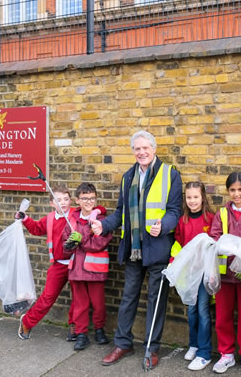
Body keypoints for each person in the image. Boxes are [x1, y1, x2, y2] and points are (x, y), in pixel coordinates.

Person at [91, 130, 182, 368]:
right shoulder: (128, 176)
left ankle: (151, 349)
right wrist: (104, 225)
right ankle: (123, 343)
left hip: (158, 248)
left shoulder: (170, 174)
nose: (141, 152)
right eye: (137, 149)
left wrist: (163, 226)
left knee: (156, 300)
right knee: (128, 297)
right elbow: (121, 213)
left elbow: (174, 211)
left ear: (153, 148)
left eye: (145, 148)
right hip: (133, 248)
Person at [209, 172, 241, 374]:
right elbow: (214, 238)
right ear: (228, 191)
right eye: (232, 190)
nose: (236, 194)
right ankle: (226, 354)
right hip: (224, 276)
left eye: (240, 189)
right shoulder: (221, 213)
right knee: (223, 316)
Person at [16, 184, 77, 341]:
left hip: (76, 264)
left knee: (78, 299)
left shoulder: (76, 215)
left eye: (66, 199)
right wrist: (25, 219)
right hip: (58, 265)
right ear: (52, 203)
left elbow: (94, 214)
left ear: (71, 200)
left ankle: (74, 326)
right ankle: (27, 322)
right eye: (58, 200)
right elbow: (36, 229)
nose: (63, 203)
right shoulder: (50, 219)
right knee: (47, 297)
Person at [169, 181, 215, 371]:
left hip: (204, 274)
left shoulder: (211, 219)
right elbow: (179, 245)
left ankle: (205, 352)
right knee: (192, 310)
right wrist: (173, 262)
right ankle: (194, 344)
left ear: (203, 197)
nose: (192, 201)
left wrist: (213, 272)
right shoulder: (182, 221)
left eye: (196, 197)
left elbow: (214, 247)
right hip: (189, 274)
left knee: (203, 311)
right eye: (189, 197)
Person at [62, 182, 112, 351]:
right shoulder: (71, 220)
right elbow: (65, 241)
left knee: (98, 304)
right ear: (77, 200)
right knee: (80, 304)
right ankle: (81, 333)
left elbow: (98, 243)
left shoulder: (102, 221)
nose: (89, 202)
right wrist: (68, 244)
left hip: (95, 270)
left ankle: (99, 329)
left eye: (92, 198)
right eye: (85, 198)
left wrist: (80, 239)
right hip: (76, 270)